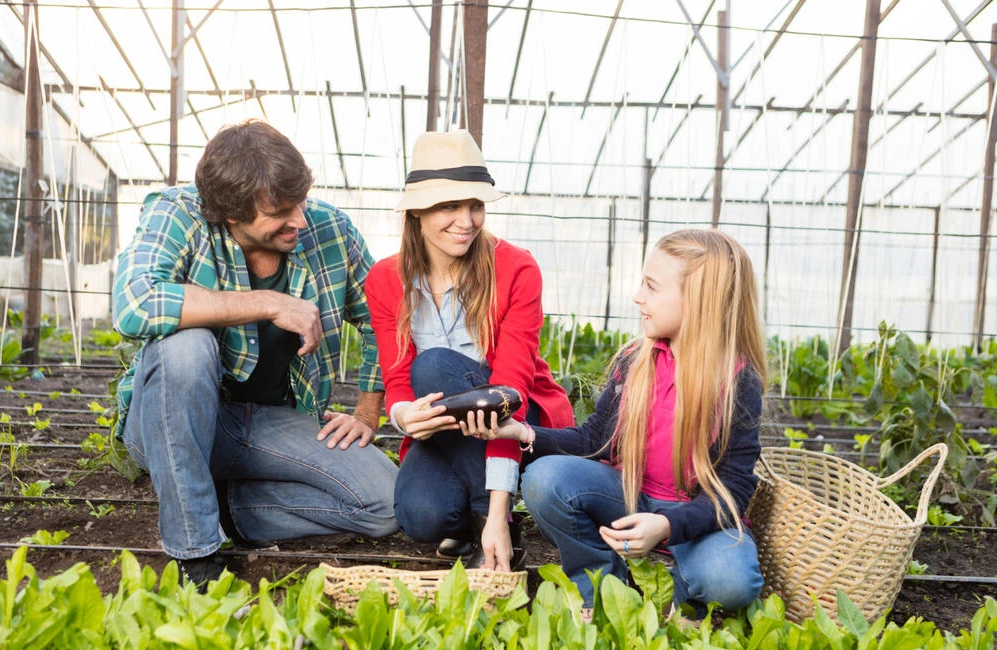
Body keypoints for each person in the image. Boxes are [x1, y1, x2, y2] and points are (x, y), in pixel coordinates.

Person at [112, 119, 398, 588]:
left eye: (302, 201)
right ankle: (197, 557)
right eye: (281, 212)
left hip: (266, 423)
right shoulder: (178, 213)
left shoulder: (330, 230)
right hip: (168, 418)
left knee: (386, 502)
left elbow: (381, 319)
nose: (300, 220)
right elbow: (134, 301)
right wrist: (269, 303)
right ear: (229, 213)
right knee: (185, 347)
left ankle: (221, 506)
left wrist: (368, 412)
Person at [465, 229, 766, 617]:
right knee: (544, 479)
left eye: (652, 287)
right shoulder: (636, 360)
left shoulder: (737, 380)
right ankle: (600, 586)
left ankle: (678, 595)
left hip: (699, 518)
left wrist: (667, 525)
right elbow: (594, 440)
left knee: (733, 581)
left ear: (699, 302)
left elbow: (734, 490)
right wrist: (522, 433)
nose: (638, 296)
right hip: (629, 494)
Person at [364, 130, 574, 571]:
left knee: (435, 364)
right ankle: (467, 519)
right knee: (421, 517)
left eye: (475, 205)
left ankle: (491, 527)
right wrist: (404, 417)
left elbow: (509, 394)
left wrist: (495, 516)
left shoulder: (516, 269)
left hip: (516, 422)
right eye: (448, 205)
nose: (467, 220)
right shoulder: (385, 280)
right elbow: (398, 380)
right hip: (445, 430)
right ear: (417, 212)